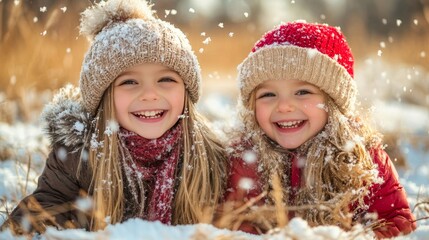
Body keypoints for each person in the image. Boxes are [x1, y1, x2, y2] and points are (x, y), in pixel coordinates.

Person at [1, 0, 227, 234]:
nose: (149, 94)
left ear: (187, 91)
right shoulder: (79, 157)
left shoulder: (210, 155)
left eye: (166, 80)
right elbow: (37, 215)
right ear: (103, 97)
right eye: (129, 82)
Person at [223, 21, 416, 238]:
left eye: (302, 92)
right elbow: (229, 223)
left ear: (333, 102)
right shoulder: (244, 158)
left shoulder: (362, 158)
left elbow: (396, 221)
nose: (284, 106)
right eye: (268, 95)